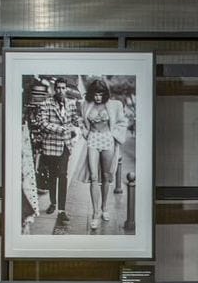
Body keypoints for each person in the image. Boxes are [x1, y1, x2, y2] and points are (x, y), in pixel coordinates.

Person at [27, 77, 81, 225]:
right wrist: (61, 129)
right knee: (52, 176)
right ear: (54, 89)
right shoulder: (46, 103)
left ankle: (62, 210)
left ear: (66, 89)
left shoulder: (71, 103)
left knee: (63, 175)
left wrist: (77, 126)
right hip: (51, 145)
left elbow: (75, 120)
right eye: (58, 88)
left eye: (63, 88)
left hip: (65, 146)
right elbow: (42, 123)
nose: (61, 90)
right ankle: (52, 203)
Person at [81, 79, 128, 230]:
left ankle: (104, 208)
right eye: (95, 94)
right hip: (93, 140)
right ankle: (95, 213)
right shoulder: (85, 105)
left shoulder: (115, 105)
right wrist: (85, 132)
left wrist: (114, 136)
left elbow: (122, 122)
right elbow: (81, 122)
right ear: (91, 94)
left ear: (105, 94)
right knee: (94, 177)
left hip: (108, 140)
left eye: (101, 94)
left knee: (106, 177)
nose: (98, 97)